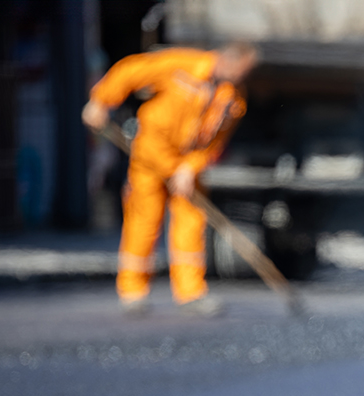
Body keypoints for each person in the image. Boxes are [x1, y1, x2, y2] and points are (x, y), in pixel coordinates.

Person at [81, 42, 259, 316]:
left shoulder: (233, 100)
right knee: (143, 221)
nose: (241, 78)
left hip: (184, 168)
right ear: (226, 61)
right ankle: (133, 291)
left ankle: (191, 292)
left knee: (191, 222)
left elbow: (215, 144)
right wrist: (100, 101)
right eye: (241, 71)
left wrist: (190, 168)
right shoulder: (182, 65)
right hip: (150, 158)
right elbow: (130, 71)